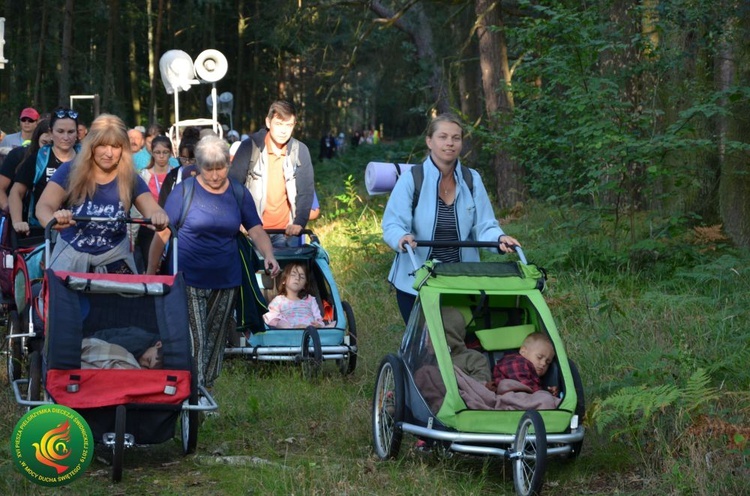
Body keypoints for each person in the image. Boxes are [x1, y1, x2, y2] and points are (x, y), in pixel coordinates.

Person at [147, 135, 279, 388]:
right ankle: (192, 398)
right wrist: (152, 271)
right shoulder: (183, 192)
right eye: (209, 169)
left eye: (221, 168)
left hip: (227, 280)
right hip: (188, 279)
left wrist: (269, 255)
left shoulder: (238, 192)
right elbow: (162, 234)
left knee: (215, 341)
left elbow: (255, 228)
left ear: (228, 164)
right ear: (197, 166)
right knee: (195, 341)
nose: (216, 175)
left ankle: (202, 394)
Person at [382, 113, 521, 324]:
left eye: (456, 138)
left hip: (461, 279)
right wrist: (401, 237)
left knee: (461, 340)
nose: (450, 143)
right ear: (430, 141)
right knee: (428, 346)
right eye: (443, 137)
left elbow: (485, 225)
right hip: (417, 280)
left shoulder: (471, 179)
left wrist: (500, 239)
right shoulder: (412, 178)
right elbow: (393, 223)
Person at [35, 113, 168, 274]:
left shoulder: (129, 177)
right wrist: (53, 220)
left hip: (115, 258)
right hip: (71, 255)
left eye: (116, 146)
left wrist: (159, 216)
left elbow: (153, 209)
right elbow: (43, 206)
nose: (109, 153)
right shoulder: (70, 170)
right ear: (91, 145)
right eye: (103, 145)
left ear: (123, 149)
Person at [229, 100, 315, 248]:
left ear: (294, 125)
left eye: (288, 125)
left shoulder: (300, 150)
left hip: (286, 231)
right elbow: (233, 186)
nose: (283, 130)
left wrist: (299, 223)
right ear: (268, 122)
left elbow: (306, 192)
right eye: (279, 124)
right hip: (252, 232)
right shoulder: (250, 146)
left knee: (288, 271)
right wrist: (239, 220)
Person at [9, 108, 79, 240]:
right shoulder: (38, 159)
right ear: (51, 133)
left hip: (78, 230)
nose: (65, 137)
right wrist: (18, 222)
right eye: (60, 131)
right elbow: (16, 192)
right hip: (41, 231)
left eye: (71, 132)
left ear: (77, 134)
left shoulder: (85, 160)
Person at [0, 119, 51, 212]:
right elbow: (1, 188)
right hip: (20, 214)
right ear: (36, 139)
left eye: (52, 144)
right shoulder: (18, 155)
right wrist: (8, 209)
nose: (47, 148)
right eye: (44, 143)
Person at [263, 262, 331, 328]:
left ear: (305, 285)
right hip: (290, 332)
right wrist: (284, 324)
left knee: (334, 325)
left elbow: (318, 318)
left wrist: (319, 325)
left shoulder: (310, 299)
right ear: (284, 280)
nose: (297, 278)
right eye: (293, 275)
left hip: (310, 332)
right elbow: (271, 316)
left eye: (302, 277)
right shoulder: (279, 300)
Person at [490, 332, 557, 395]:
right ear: (523, 351)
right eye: (539, 357)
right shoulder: (517, 362)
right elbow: (524, 385)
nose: (543, 363)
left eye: (548, 362)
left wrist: (549, 391)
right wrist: (545, 394)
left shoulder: (533, 375)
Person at [81, 326, 163, 370]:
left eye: (148, 368)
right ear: (158, 344)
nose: (144, 364)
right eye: (148, 360)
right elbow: (110, 349)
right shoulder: (138, 341)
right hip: (95, 343)